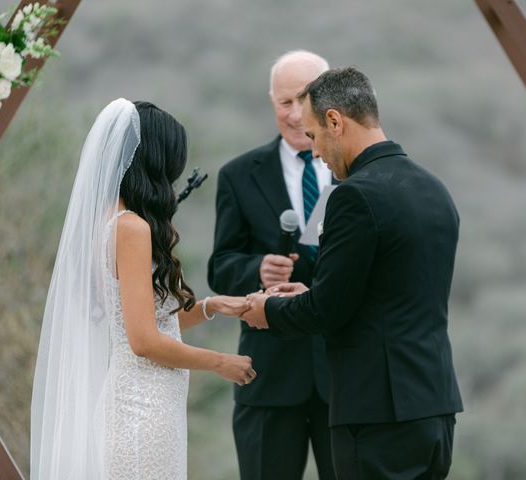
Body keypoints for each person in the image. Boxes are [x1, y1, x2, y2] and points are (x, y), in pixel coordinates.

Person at [243, 67, 463, 480]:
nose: (314, 151)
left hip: (378, 413)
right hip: (435, 406)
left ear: (334, 121)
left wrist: (267, 311)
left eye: (312, 136)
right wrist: (310, 292)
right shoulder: (435, 189)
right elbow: (388, 293)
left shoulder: (354, 196)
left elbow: (327, 310)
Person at [31, 99, 256, 479]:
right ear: (154, 160)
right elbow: (143, 341)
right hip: (141, 409)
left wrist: (210, 306)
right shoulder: (131, 228)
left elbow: (146, 324)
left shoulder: (107, 223)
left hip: (146, 404)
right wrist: (220, 362)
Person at [207, 50, 336, 480]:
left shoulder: (357, 171)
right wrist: (257, 271)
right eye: (285, 102)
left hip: (344, 374)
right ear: (271, 103)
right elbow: (221, 265)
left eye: (306, 98)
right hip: (268, 374)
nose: (297, 114)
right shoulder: (238, 175)